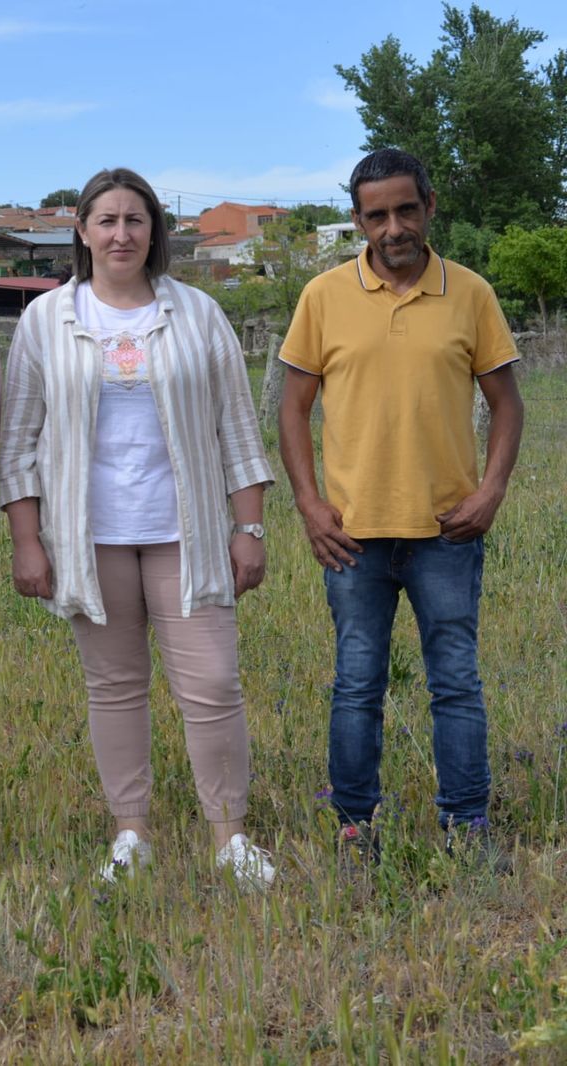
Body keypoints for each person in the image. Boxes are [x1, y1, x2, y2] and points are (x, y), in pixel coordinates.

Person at [0, 167, 276, 890]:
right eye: (107, 220)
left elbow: (238, 430)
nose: (121, 233)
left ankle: (230, 837)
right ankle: (132, 833)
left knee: (213, 684)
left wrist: (249, 527)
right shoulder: (46, 321)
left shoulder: (198, 314)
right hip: (90, 539)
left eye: (135, 220)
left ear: (155, 232)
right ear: (82, 232)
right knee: (115, 687)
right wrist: (28, 540)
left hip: (186, 532)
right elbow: (20, 441)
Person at [278, 147, 523, 873]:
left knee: (456, 681)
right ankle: (355, 827)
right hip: (353, 536)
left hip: (449, 531)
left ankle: (467, 825)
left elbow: (508, 403)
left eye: (405, 210)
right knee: (357, 684)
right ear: (357, 220)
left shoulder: (471, 293)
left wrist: (491, 491)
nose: (393, 227)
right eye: (376, 214)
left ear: (430, 207)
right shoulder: (323, 296)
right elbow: (293, 409)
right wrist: (309, 505)